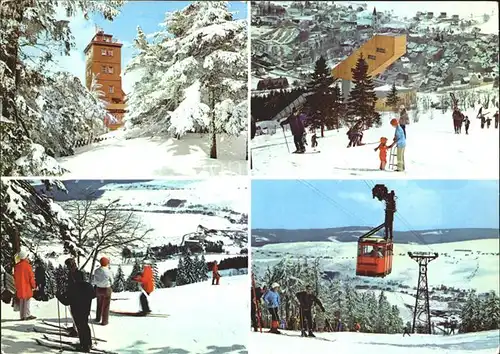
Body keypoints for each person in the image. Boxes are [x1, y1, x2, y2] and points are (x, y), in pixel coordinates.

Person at [57, 268, 95, 352]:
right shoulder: (88, 286)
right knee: (85, 325)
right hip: (86, 310)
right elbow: (93, 295)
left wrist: (59, 296)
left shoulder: (73, 287)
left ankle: (84, 346)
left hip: (76, 311)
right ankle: (88, 343)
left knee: (80, 327)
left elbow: (66, 302)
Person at [13, 250, 36, 320]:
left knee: (22, 300)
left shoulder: (16, 266)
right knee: (27, 300)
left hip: (19, 287)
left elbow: (14, 277)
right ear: (25, 257)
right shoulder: (28, 266)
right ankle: (27, 315)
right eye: (27, 256)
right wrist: (33, 285)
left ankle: (22, 316)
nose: (28, 258)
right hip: (27, 286)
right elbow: (31, 277)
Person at [64, 258, 85, 337]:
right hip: (74, 295)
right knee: (74, 313)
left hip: (76, 295)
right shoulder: (72, 273)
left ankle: (76, 330)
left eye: (68, 265)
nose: (67, 267)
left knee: (76, 313)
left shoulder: (77, 273)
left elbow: (79, 285)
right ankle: (74, 327)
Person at [92, 257, 114, 326]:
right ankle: (104, 321)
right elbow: (112, 281)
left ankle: (98, 318)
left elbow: (94, 280)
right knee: (106, 306)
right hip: (106, 289)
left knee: (99, 304)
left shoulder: (96, 271)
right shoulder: (109, 271)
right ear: (107, 263)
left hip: (98, 289)